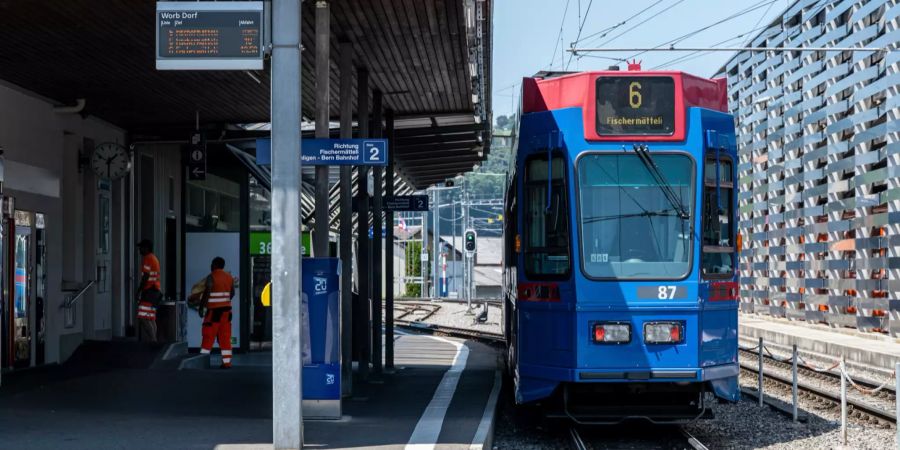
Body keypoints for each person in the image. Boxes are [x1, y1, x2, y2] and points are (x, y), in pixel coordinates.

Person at [199, 257, 235, 368]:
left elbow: (207, 292)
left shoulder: (211, 277)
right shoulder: (229, 277)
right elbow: (232, 293)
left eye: (211, 264)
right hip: (226, 312)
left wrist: (202, 307)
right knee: (225, 337)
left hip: (213, 312)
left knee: (208, 336)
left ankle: (202, 362)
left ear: (215, 265)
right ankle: (227, 362)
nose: (210, 266)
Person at [136, 239, 161, 342]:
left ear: (146, 248)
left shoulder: (147, 258)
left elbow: (145, 276)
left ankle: (153, 340)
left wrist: (139, 291)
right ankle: (154, 341)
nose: (139, 249)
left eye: (141, 247)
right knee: (151, 318)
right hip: (155, 292)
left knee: (143, 317)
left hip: (148, 291)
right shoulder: (154, 258)